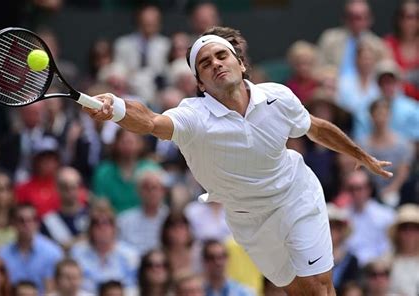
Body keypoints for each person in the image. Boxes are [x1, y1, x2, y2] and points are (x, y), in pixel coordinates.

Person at [84, 26, 393, 295]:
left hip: (296, 196)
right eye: (205, 63)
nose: (216, 64)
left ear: (241, 64)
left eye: (222, 56)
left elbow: (315, 128)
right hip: (249, 220)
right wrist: (118, 107)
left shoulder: (278, 97)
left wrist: (360, 155)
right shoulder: (193, 116)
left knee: (320, 287)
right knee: (299, 290)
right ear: (201, 84)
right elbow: (151, 121)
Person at [0, 203, 64, 294]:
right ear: (13, 223)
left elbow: (53, 289)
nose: (26, 225)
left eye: (30, 220)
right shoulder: (2, 254)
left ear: (37, 223)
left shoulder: (53, 252)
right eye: (21, 221)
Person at [116, 168, 169, 255]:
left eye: (154, 188)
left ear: (163, 191)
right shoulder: (124, 220)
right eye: (146, 188)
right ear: (138, 191)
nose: (151, 192)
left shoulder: (170, 219)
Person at [41, 167, 89, 250]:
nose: (70, 192)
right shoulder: (48, 221)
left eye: (74, 187)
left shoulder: (91, 216)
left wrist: (69, 244)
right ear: (57, 189)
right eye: (65, 188)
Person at [387, 204, 419, 296]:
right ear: (397, 233)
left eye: (414, 228)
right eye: (404, 228)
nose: (409, 233)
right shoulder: (387, 262)